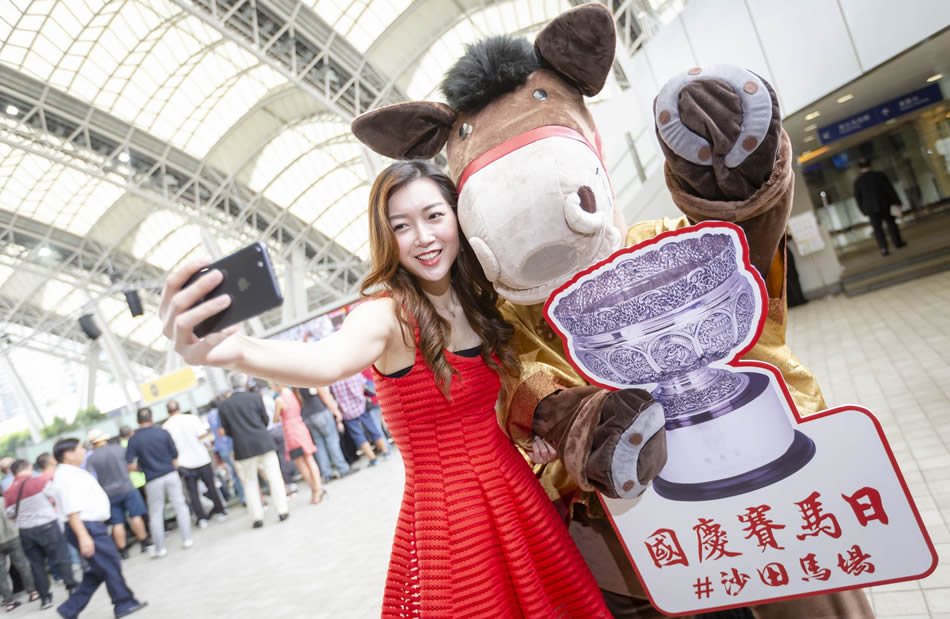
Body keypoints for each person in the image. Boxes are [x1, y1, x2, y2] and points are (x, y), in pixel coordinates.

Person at [159, 160, 608, 617]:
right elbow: (326, 360)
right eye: (401, 226)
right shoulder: (386, 316)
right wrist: (237, 350)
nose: (423, 237)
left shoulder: (478, 301)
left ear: (458, 217)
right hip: (454, 520)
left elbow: (487, 406)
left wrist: (525, 433)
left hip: (517, 495)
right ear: (386, 237)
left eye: (434, 216)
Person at [52, 438, 147, 618]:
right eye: (79, 449)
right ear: (68, 454)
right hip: (86, 526)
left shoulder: (71, 473)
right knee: (109, 563)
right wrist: (83, 536)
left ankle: (70, 609)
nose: (83, 452)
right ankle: (124, 603)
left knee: (99, 569)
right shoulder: (67, 476)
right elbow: (72, 511)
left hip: (89, 525)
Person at [216, 372, 289, 529]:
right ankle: (282, 510)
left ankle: (257, 517)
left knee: (249, 482)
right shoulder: (255, 397)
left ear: (230, 385)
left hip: (243, 447)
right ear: (244, 382)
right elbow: (265, 420)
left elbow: (227, 430)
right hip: (263, 442)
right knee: (274, 477)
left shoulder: (223, 405)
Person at [4, 459, 77, 609]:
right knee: (60, 557)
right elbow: (57, 497)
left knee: (36, 565)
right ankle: (71, 587)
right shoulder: (40, 481)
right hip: (48, 526)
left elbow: (10, 514)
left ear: (14, 473)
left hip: (26, 531)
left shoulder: (9, 492)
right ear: (28, 468)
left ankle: (45, 598)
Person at [125, 408, 192, 558]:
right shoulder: (163, 432)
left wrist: (142, 468)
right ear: (152, 417)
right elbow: (175, 455)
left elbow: (129, 465)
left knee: (155, 513)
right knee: (180, 506)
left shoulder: (134, 439)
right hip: (170, 473)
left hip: (152, 479)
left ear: (137, 421)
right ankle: (187, 539)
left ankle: (160, 548)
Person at [84, 430, 151, 560]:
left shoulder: (91, 458)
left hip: (108, 494)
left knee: (117, 522)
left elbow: (91, 478)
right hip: (127, 488)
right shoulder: (119, 449)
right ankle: (144, 543)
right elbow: (131, 465)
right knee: (135, 516)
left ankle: (123, 551)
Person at [162, 400, 228, 528]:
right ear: (179, 407)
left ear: (168, 411)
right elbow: (203, 436)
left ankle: (201, 518)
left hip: (184, 463)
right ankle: (220, 511)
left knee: (193, 493)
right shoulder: (192, 418)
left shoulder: (166, 427)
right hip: (201, 458)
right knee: (211, 486)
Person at [273, 385, 325, 504]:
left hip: (290, 432)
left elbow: (275, 419)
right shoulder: (294, 393)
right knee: (310, 460)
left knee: (301, 463)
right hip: (301, 427)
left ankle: (314, 490)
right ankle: (319, 488)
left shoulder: (279, 399)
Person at [330, 374, 390, 467]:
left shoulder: (333, 382)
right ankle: (386, 452)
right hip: (361, 407)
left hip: (347, 413)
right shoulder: (352, 373)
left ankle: (373, 459)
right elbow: (363, 385)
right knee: (373, 429)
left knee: (358, 436)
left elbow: (333, 396)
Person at [295, 384, 351, 482]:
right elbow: (324, 396)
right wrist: (335, 411)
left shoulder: (295, 386)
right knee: (332, 441)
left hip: (307, 417)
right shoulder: (311, 379)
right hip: (321, 412)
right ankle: (343, 468)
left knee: (319, 445)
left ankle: (327, 474)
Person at [853, 158, 907, 256]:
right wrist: (897, 201)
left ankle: (884, 248)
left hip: (871, 209)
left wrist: (863, 210)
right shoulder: (879, 176)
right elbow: (889, 189)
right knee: (891, 224)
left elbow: (858, 198)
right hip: (885, 205)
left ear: (859, 168)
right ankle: (897, 243)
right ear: (870, 165)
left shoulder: (858, 181)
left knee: (878, 229)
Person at [206, 398, 246, 505]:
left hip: (221, 448)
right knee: (241, 471)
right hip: (230, 445)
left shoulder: (209, 416)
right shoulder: (222, 412)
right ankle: (247, 496)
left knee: (234, 473)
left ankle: (243, 497)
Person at [0, 505, 37, 611]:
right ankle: (33, 593)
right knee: (23, 566)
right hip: (13, 537)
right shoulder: (4, 501)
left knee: (1, 574)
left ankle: (9, 602)